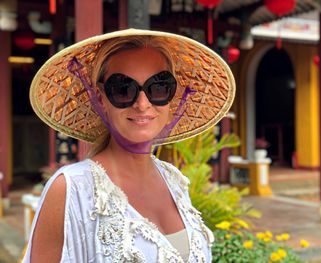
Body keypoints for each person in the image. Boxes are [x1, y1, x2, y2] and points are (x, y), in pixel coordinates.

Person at [23, 29, 235, 262]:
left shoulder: (174, 181)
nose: (142, 104)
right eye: (123, 89)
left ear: (172, 96)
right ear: (101, 97)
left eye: (158, 87)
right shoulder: (72, 189)